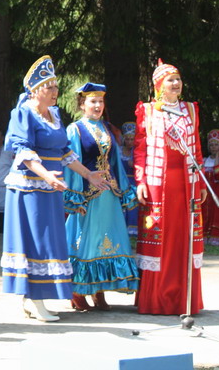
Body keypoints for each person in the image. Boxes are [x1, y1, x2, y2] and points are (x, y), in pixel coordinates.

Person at [1, 56, 109, 322]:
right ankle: (34, 298)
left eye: (56, 87)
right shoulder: (23, 113)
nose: (55, 92)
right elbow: (23, 151)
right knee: (37, 240)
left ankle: (35, 298)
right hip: (29, 187)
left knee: (49, 240)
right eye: (50, 87)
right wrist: (46, 175)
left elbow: (64, 152)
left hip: (50, 186)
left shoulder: (55, 114)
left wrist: (89, 174)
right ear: (36, 90)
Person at [133, 59, 206, 315]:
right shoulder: (149, 111)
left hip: (186, 183)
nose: (176, 84)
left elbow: (195, 146)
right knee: (160, 237)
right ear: (159, 86)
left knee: (183, 238)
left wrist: (201, 178)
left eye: (178, 79)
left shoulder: (190, 110)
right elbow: (141, 149)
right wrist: (140, 181)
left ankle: (183, 299)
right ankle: (156, 300)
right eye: (170, 80)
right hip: (158, 184)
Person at [63, 82, 139, 312]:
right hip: (88, 195)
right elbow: (70, 163)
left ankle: (99, 290)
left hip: (109, 194)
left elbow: (114, 162)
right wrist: (76, 197)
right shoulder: (74, 129)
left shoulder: (107, 129)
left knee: (109, 241)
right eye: (92, 101)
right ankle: (77, 292)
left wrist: (123, 190)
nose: (97, 106)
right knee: (87, 242)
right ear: (82, 104)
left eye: (100, 101)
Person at [118, 122, 139, 237]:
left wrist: (135, 164)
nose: (130, 142)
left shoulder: (137, 151)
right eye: (128, 139)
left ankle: (133, 231)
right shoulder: (119, 150)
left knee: (133, 205)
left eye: (132, 139)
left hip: (134, 182)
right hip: (122, 181)